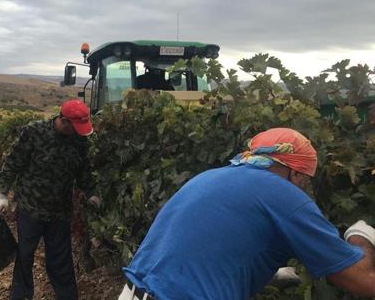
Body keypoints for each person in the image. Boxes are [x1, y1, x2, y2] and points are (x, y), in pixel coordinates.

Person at [119, 128, 375, 300]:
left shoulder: (209, 177)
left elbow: (210, 252)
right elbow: (363, 282)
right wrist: (360, 235)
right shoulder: (285, 196)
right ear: (296, 173)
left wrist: (272, 276)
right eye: (306, 180)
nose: (305, 188)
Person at [0, 99, 99, 300]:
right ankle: (21, 296)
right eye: (75, 127)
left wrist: (91, 192)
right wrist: (2, 194)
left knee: (61, 260)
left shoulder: (79, 140)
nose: (77, 131)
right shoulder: (34, 132)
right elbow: (13, 162)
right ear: (63, 120)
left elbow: (84, 170)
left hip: (60, 212)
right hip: (30, 209)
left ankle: (67, 297)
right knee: (24, 256)